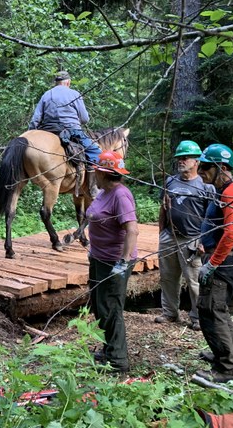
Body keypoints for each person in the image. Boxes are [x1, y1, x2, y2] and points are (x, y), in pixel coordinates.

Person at [195, 143, 233, 383]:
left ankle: (227, 368)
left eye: (205, 167)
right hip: (219, 257)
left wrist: (212, 264)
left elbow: (231, 234)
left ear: (223, 168)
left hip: (224, 261)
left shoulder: (231, 192)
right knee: (216, 310)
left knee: (212, 310)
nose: (200, 172)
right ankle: (227, 355)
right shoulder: (222, 190)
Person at [85, 150, 139, 373]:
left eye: (96, 170)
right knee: (99, 306)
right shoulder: (103, 192)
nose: (94, 174)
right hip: (98, 257)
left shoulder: (120, 195)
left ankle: (118, 360)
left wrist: (123, 262)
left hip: (113, 262)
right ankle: (109, 349)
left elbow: (132, 230)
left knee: (111, 308)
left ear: (103, 173)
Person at [155, 140, 215, 331]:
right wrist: (161, 232)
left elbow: (211, 217)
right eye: (179, 158)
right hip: (169, 236)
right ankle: (169, 313)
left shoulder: (205, 187)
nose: (181, 161)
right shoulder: (170, 181)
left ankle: (197, 318)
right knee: (167, 277)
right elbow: (163, 207)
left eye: (186, 157)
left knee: (194, 280)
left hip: (192, 239)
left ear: (196, 161)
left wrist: (205, 241)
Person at [28, 71, 102, 195]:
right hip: (72, 131)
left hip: (48, 130)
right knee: (95, 152)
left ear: (56, 82)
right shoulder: (74, 94)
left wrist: (30, 134)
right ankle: (92, 188)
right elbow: (85, 119)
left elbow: (36, 119)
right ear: (68, 82)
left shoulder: (46, 95)